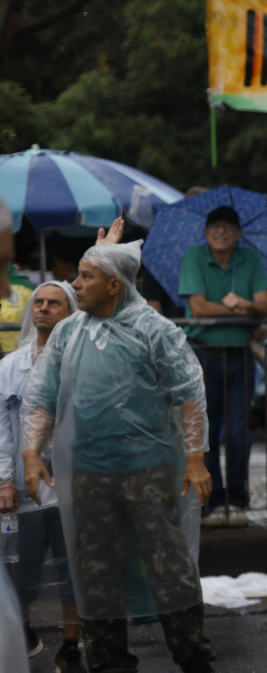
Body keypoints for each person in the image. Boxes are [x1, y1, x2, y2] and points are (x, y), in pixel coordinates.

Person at [23, 241, 216, 673]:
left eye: (85, 276)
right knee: (96, 572)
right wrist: (31, 452)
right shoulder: (69, 333)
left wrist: (195, 457)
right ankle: (109, 665)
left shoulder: (154, 329)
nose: (76, 283)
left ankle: (193, 658)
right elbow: (42, 395)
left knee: (169, 566)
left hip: (147, 471)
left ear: (114, 285)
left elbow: (189, 394)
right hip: (89, 475)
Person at [0, 281, 83, 667]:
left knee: (72, 572)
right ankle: (25, 635)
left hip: (71, 485)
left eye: (55, 303)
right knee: (21, 573)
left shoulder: (81, 363)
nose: (44, 308)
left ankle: (70, 646)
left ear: (70, 312)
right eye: (39, 302)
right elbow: (3, 428)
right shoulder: (9, 366)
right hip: (24, 485)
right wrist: (3, 479)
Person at [178, 205, 267, 528]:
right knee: (206, 430)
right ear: (205, 233)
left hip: (239, 355)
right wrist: (246, 313)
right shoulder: (194, 256)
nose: (221, 231)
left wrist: (245, 305)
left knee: (237, 431)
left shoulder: (250, 260)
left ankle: (237, 497)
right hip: (203, 354)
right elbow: (199, 309)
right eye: (214, 227)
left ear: (238, 234)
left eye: (228, 226)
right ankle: (212, 499)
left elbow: (265, 306)